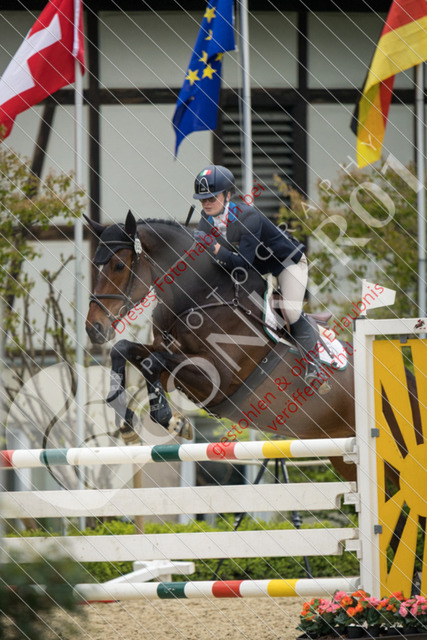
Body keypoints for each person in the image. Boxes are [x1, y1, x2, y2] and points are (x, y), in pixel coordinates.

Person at [192, 164, 325, 388]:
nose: (206, 203)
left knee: (290, 311)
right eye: (203, 199)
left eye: (212, 198)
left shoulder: (248, 216)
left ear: (228, 196)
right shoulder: (207, 219)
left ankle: (315, 367)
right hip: (259, 268)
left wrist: (214, 247)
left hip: (287, 263)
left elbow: (243, 265)